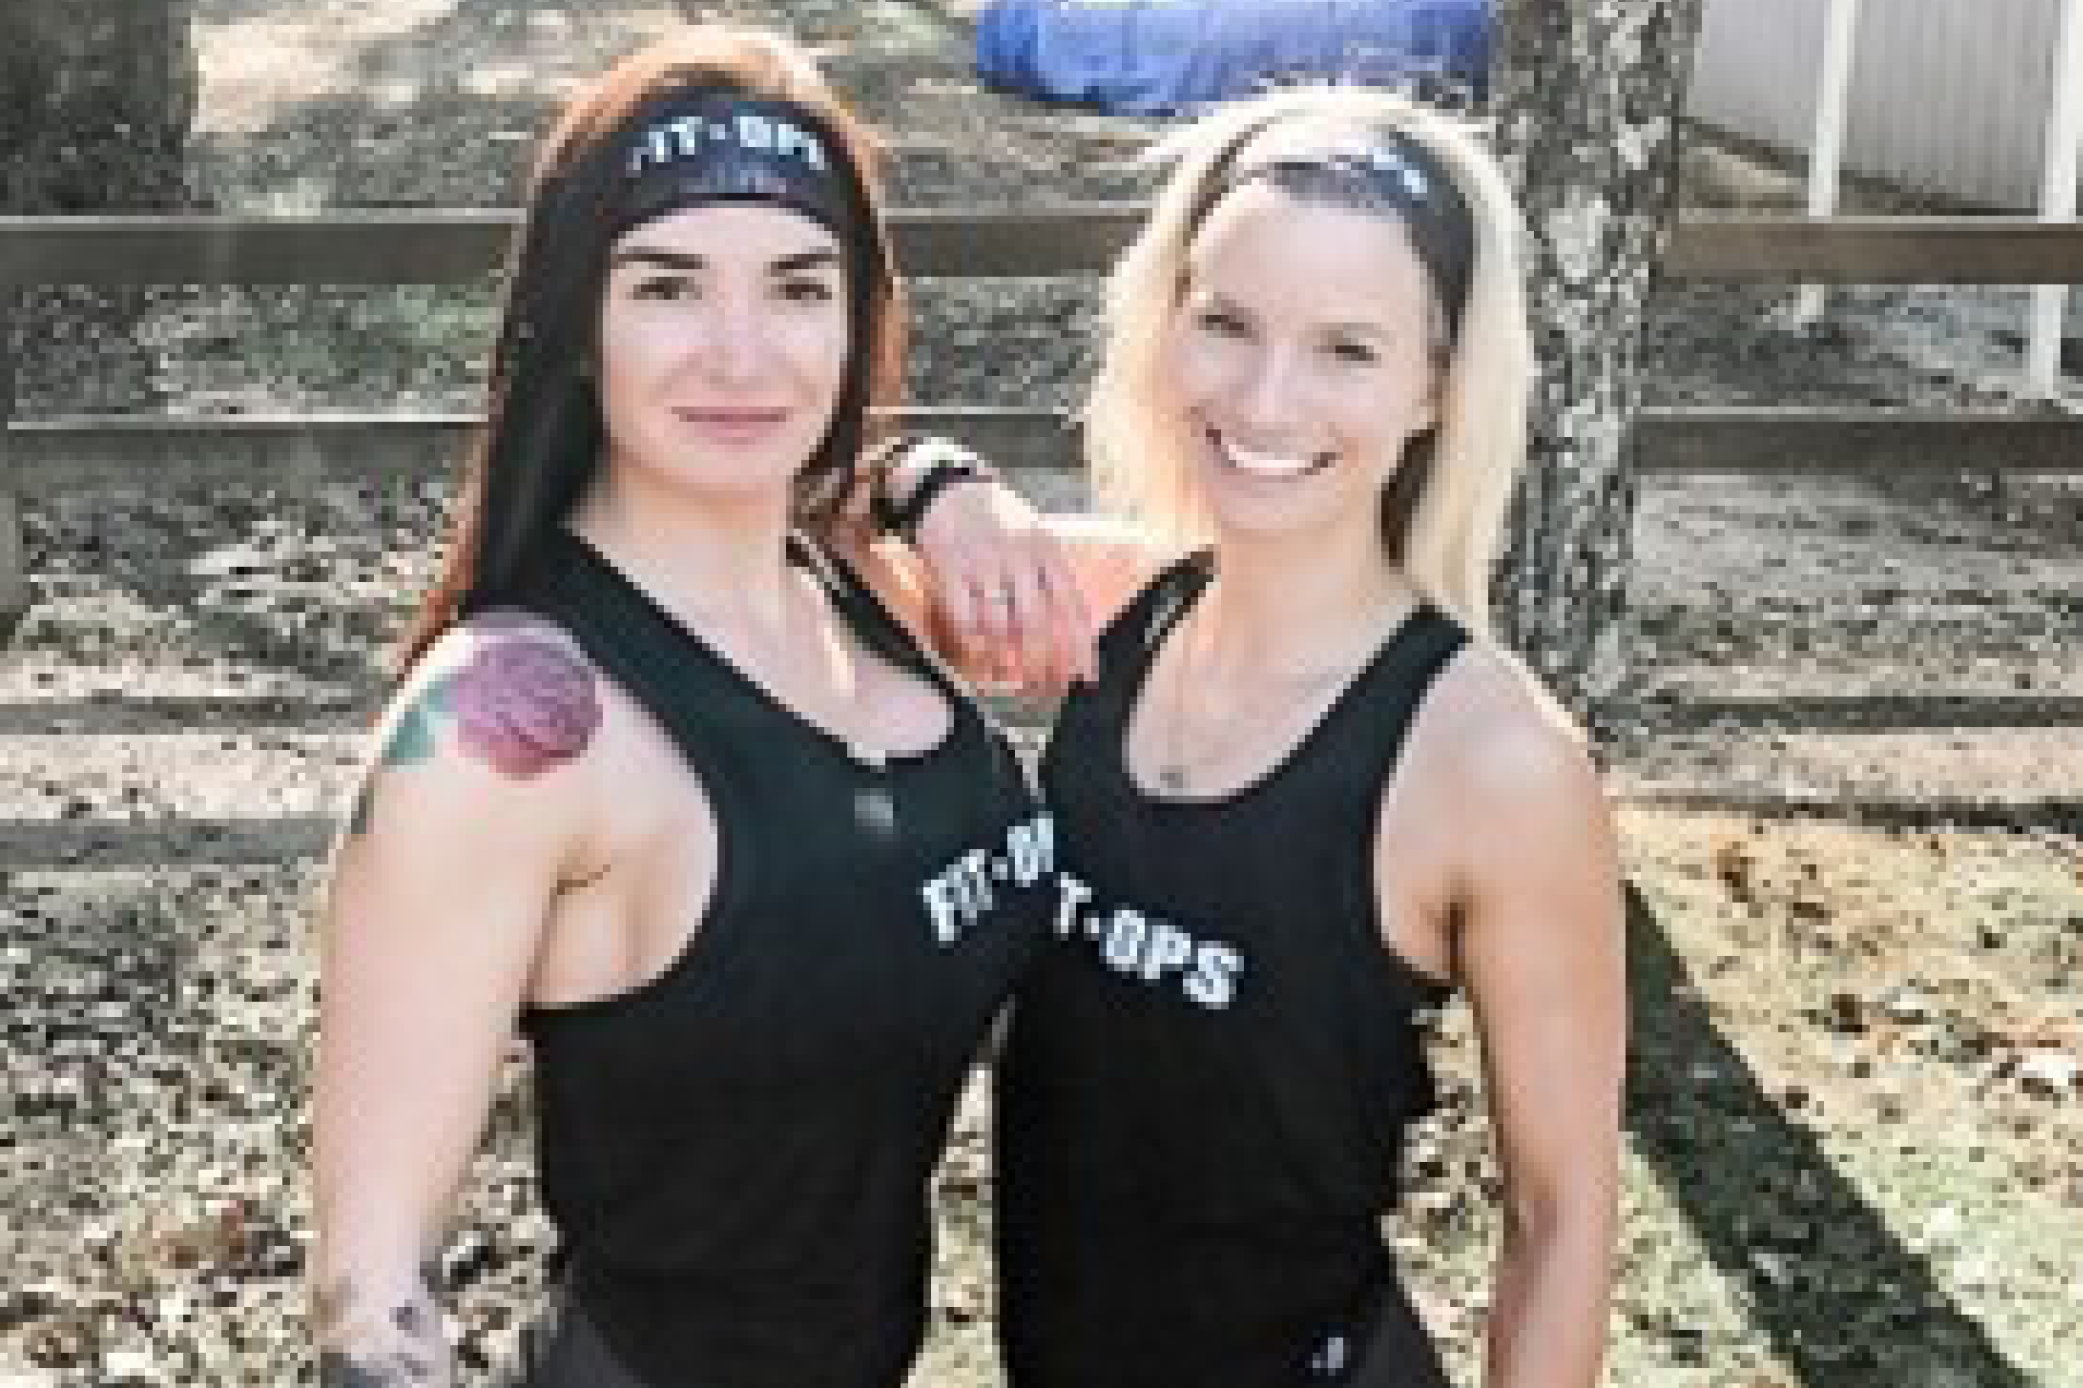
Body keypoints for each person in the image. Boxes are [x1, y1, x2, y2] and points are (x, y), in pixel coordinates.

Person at [309, 27, 1057, 1388]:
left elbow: (1255, 575)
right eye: (665, 288)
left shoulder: (852, 584)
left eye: (795, 287)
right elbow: (371, 1286)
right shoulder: (509, 727)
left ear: (856, 318)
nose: (739, 354)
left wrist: (934, 480)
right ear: (579, 324)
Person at [910, 86, 1625, 1386]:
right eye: (1226, 324)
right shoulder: (1111, 614)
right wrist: (935, 485)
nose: (1267, 398)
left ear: (1431, 389)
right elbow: (781, 537)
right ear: (1163, 321)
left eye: (1346, 349)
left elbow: (1561, 1217)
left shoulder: (1491, 762)